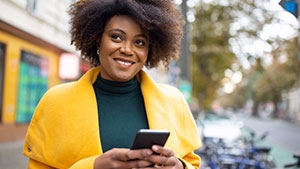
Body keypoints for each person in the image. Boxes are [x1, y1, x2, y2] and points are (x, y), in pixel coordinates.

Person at [23, 0, 202, 168]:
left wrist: (178, 165)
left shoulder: (174, 101)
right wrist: (94, 166)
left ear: (149, 50)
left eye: (139, 42)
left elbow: (191, 163)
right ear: (98, 40)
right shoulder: (56, 101)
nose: (127, 49)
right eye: (116, 37)